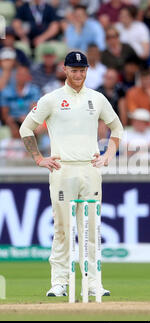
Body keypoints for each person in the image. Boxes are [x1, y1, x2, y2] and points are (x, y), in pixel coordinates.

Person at [19, 51, 123, 298]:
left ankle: (93, 283)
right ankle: (59, 282)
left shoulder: (97, 98)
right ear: (65, 70)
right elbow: (26, 128)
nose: (79, 74)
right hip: (62, 168)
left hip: (90, 168)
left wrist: (108, 155)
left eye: (82, 70)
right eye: (74, 70)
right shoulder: (51, 99)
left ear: (87, 71)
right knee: (63, 228)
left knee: (91, 228)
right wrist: (38, 158)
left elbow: (116, 127)